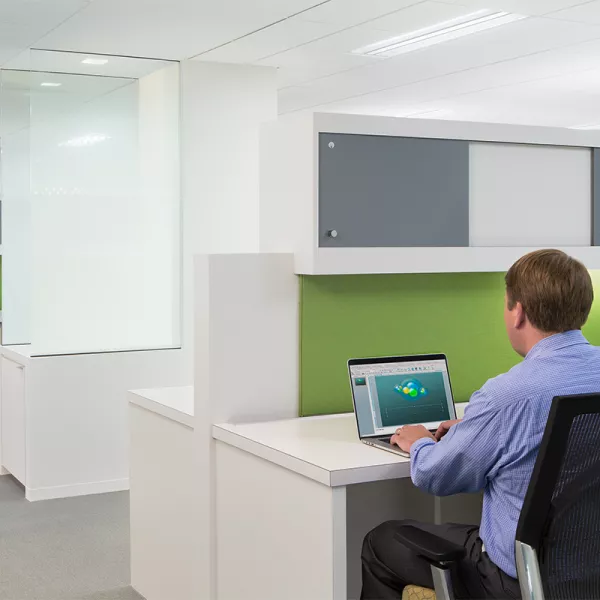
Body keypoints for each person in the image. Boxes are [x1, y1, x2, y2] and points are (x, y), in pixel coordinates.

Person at [361, 249, 600, 600]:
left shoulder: (506, 395)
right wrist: (477, 425)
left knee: (381, 541)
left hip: (519, 581)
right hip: (589, 570)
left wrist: (420, 442)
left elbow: (436, 476)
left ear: (518, 312)